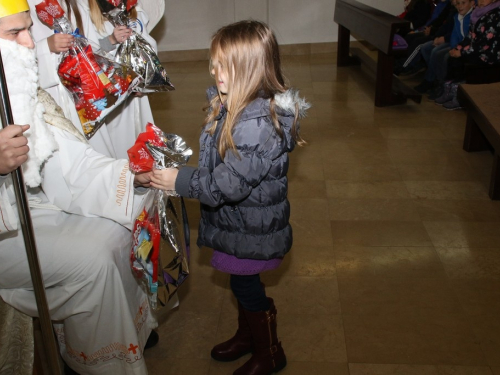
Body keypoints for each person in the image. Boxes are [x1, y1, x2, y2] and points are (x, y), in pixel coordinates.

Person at [0, 1, 157, 374]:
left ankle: (85, 350)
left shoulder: (23, 91)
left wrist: (129, 176)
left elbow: (70, 161)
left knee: (121, 228)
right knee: (94, 260)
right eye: (15, 33)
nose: (28, 42)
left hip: (38, 209)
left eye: (28, 29)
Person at [150, 20, 309, 375]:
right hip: (240, 224)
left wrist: (177, 180)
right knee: (243, 284)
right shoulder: (235, 104)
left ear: (252, 69)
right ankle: (248, 336)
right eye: (214, 63)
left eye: (226, 65)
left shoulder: (256, 123)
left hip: (253, 230)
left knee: (247, 286)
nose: (215, 72)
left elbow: (224, 187)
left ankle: (270, 352)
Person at [27, 0, 157, 159]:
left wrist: (129, 81)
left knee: (105, 152)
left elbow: (93, 50)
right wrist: (45, 47)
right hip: (58, 95)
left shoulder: (73, 6)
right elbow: (14, 57)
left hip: (90, 90)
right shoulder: (27, 7)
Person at [438, 0, 500, 109]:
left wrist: (462, 52)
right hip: (477, 49)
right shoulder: (478, 12)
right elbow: (470, 36)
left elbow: (484, 44)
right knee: (451, 58)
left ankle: (459, 96)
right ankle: (449, 90)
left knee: (461, 60)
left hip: (489, 54)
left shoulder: (495, 15)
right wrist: (458, 47)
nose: (480, 1)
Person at [413, 0, 473, 94]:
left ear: (472, 3)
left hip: (463, 46)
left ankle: (441, 84)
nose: (460, 6)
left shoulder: (471, 17)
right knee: (427, 47)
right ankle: (434, 79)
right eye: (457, 3)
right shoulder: (456, 15)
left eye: (463, 3)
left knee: (440, 54)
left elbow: (468, 37)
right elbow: (454, 33)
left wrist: (456, 48)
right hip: (455, 43)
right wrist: (438, 36)